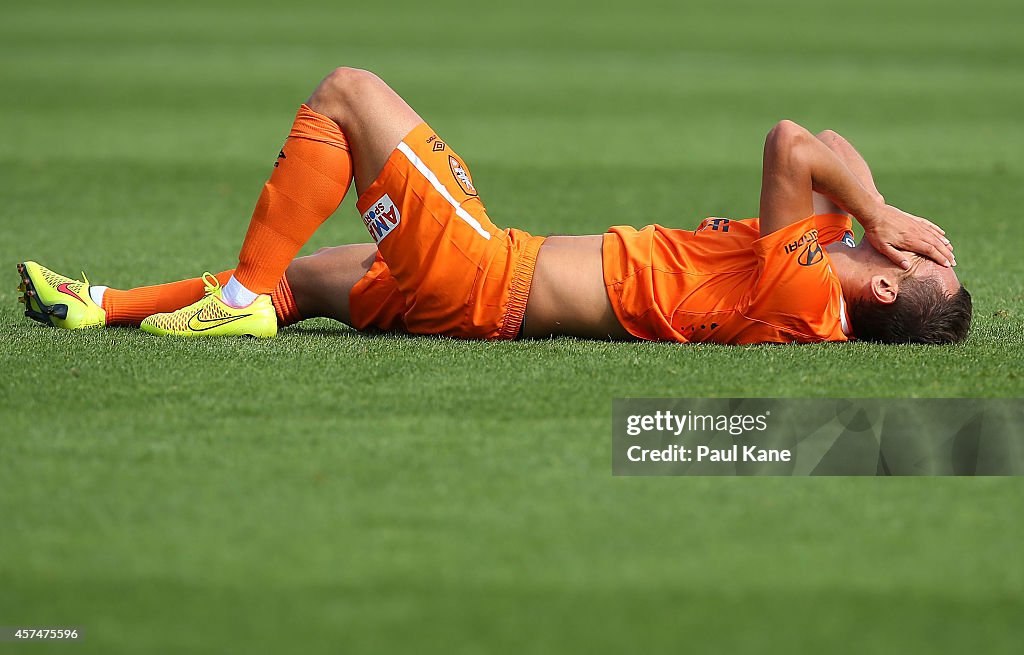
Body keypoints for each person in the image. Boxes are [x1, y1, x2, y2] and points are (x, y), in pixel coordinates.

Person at [18, 67, 971, 345]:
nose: (924, 240)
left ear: (886, 284)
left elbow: (792, 141)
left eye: (925, 255)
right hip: (483, 283)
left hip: (487, 275)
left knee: (348, 93)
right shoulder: (819, 251)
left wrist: (881, 210)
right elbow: (835, 148)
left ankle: (234, 300)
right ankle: (102, 303)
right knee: (299, 287)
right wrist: (874, 216)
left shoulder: (808, 297)